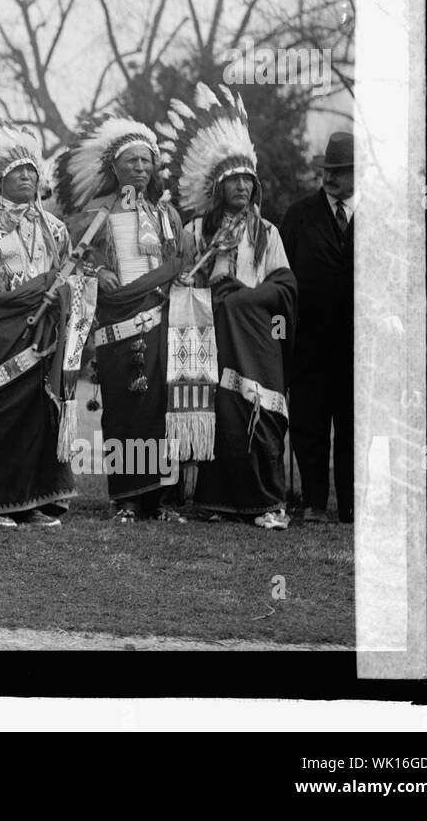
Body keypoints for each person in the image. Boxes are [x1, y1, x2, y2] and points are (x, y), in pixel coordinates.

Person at [158, 84, 297, 530]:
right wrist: (188, 282)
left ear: (256, 185)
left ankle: (267, 501)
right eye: (233, 180)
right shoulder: (197, 232)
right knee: (218, 414)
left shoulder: (267, 233)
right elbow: (186, 281)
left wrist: (241, 295)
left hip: (256, 340)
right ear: (217, 186)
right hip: (208, 338)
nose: (241, 186)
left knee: (263, 414)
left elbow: (284, 285)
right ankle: (219, 500)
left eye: (247, 180)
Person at [0, 123, 93, 527]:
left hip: (44, 332)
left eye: (33, 171)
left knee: (38, 416)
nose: (28, 177)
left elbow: (70, 276)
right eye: (19, 171)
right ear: (0, 178)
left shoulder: (54, 227)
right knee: (1, 415)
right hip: (0, 330)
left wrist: (63, 296)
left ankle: (32, 502)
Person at [54, 115, 189, 522]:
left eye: (147, 161)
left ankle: (162, 500)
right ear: (113, 167)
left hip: (160, 323)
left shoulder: (165, 215)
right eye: (133, 161)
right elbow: (72, 263)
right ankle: (126, 498)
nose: (141, 168)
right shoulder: (94, 213)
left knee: (163, 409)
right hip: (117, 327)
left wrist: (173, 277)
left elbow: (179, 263)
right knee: (124, 409)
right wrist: (98, 273)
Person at [281, 131, 356, 524]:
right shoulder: (298, 216)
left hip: (359, 348)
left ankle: (350, 506)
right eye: (329, 170)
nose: (331, 178)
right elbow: (281, 275)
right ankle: (313, 502)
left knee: (353, 427)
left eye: (341, 171)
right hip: (308, 342)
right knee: (309, 424)